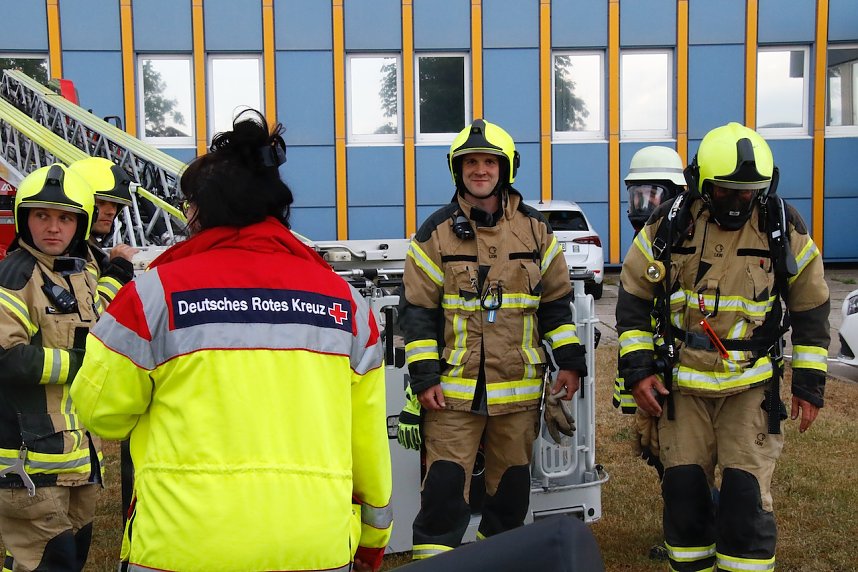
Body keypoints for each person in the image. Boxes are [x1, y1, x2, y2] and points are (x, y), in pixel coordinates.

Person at [70, 109, 393, 572]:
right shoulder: (347, 305)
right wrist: (373, 539)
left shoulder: (151, 297)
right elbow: (368, 445)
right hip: (314, 546)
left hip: (181, 548)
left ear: (201, 210)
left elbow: (100, 411)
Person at [616, 122, 829, 571]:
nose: (737, 201)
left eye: (747, 192)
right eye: (726, 191)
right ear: (701, 184)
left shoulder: (781, 226)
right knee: (684, 495)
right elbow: (633, 297)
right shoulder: (668, 224)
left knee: (744, 499)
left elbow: (811, 304)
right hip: (682, 390)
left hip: (749, 389)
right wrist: (639, 371)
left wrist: (809, 384)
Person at [400, 118, 587, 559]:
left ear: (506, 169)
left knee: (510, 497)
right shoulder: (434, 233)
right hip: (452, 394)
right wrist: (424, 377)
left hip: (517, 393)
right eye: (470, 162)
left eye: (489, 162)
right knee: (443, 493)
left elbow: (555, 304)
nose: (480, 170)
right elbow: (418, 310)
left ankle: (497, 562)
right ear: (457, 169)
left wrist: (571, 362)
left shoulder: (535, 230)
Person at [0, 163, 102, 571]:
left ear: (81, 224)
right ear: (24, 218)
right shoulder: (15, 276)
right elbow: (6, 358)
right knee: (46, 563)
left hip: (76, 457)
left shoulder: (79, 272)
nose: (53, 228)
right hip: (28, 460)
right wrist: (83, 363)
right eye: (42, 215)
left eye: (65, 218)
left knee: (67, 559)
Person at [614, 146, 687, 561]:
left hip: (681, 373)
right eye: (637, 195)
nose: (643, 205)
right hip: (650, 371)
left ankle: (698, 530)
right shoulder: (646, 243)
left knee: (679, 459)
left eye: (652, 195)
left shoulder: (684, 241)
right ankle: (686, 532)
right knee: (656, 452)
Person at [67, 156, 139, 307]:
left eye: (115, 205)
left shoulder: (86, 248)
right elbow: (90, 312)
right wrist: (117, 273)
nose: (111, 211)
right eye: (101, 203)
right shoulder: (71, 253)